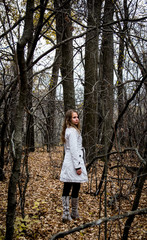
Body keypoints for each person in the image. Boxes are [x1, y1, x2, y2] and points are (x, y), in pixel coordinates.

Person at [60, 109, 88, 222]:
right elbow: (73, 150)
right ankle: (66, 214)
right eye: (74, 117)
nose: (77, 119)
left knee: (76, 186)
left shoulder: (73, 130)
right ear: (69, 119)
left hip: (74, 161)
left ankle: (74, 212)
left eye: (77, 117)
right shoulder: (71, 131)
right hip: (72, 162)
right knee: (68, 186)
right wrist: (77, 166)